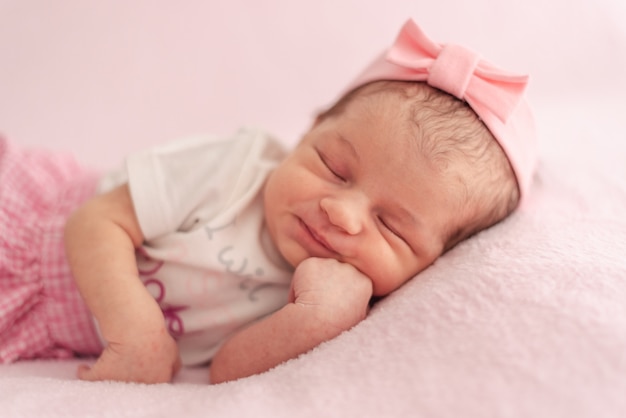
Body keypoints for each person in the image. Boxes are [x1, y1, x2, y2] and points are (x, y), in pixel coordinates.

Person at [0, 19, 536, 384]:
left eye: (391, 227)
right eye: (333, 167)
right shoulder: (238, 169)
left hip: (36, 327)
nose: (343, 214)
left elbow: (227, 370)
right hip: (24, 232)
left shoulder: (333, 295)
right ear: (310, 129)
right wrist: (135, 332)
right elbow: (96, 221)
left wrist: (313, 319)